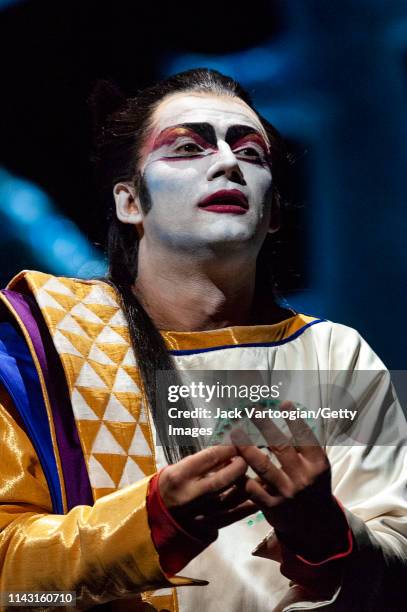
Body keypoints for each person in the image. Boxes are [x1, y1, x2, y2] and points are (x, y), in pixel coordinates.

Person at [0, 68, 405, 612]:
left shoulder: (336, 354)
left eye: (251, 154)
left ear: (274, 214)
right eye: (188, 147)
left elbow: (398, 567)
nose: (226, 163)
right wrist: (151, 523)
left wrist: (327, 536)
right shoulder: (42, 344)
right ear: (130, 203)